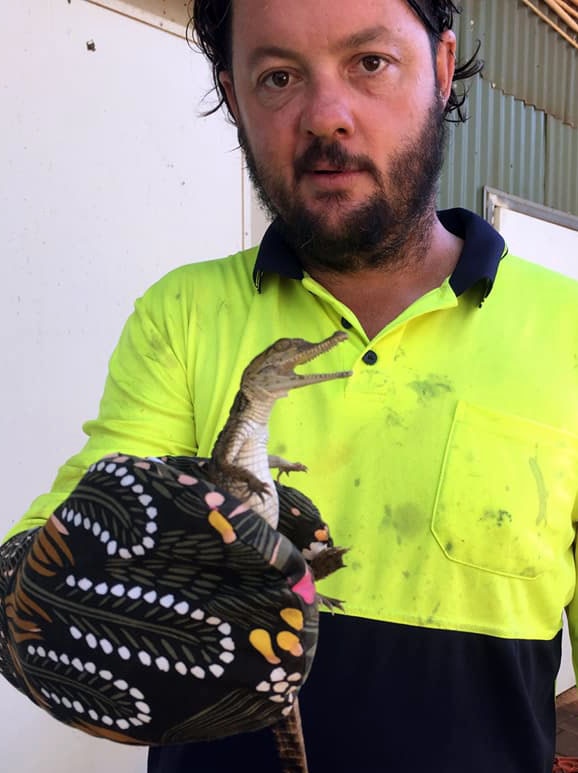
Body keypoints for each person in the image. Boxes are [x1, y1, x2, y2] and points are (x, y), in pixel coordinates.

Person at [2, 0, 578, 771]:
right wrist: (56, 595)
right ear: (235, 98)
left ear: (441, 69)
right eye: (278, 77)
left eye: (370, 63)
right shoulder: (183, 312)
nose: (326, 117)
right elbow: (51, 570)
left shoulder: (566, 326)